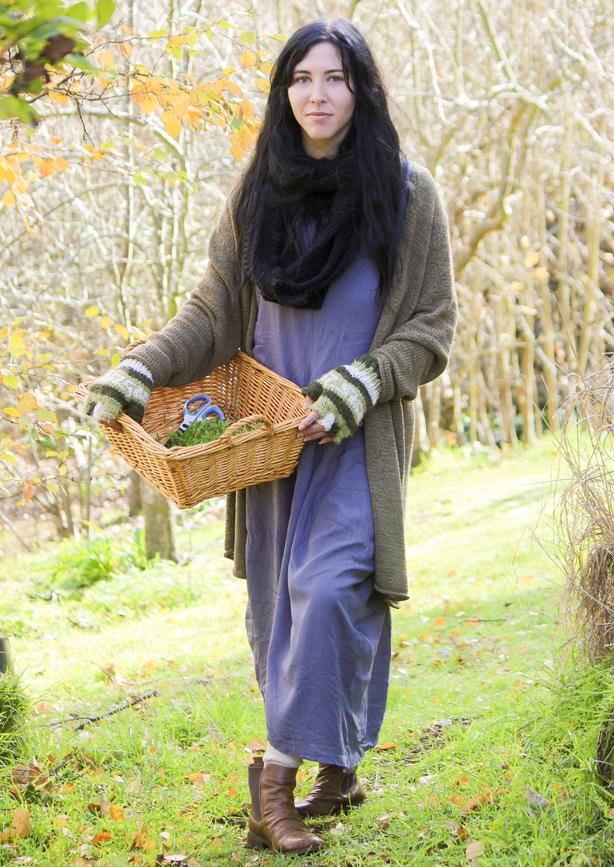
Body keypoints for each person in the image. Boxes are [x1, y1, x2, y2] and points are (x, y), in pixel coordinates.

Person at [83, 17, 457, 857]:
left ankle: (273, 793)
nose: (317, 95)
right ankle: (340, 763)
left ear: (360, 91)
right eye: (301, 79)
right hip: (269, 448)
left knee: (331, 595)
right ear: (284, 93)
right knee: (283, 619)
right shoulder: (257, 193)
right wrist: (139, 370)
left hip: (354, 445)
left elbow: (430, 330)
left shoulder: (406, 192)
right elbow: (213, 314)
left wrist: (359, 385)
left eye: (334, 79)